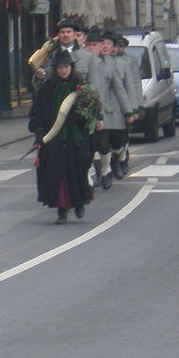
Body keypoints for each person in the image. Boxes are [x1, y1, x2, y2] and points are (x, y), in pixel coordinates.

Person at [29, 50, 97, 224]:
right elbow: (36, 114)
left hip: (76, 138)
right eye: (60, 67)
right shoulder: (48, 88)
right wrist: (39, 134)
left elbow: (91, 112)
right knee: (58, 174)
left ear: (71, 67)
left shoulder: (81, 88)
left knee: (78, 171)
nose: (63, 71)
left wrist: (81, 117)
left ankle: (79, 202)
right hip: (55, 139)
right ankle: (62, 209)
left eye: (66, 67)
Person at [88, 29, 135, 189]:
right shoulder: (81, 62)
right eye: (89, 45)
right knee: (95, 146)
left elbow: (120, 89)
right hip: (85, 113)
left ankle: (113, 163)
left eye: (94, 45)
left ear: (101, 46)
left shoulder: (110, 64)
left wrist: (129, 110)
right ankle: (102, 172)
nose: (91, 48)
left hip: (107, 112)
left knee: (113, 143)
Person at [33, 16, 101, 91]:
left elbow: (94, 86)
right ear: (58, 35)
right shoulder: (49, 56)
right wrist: (39, 78)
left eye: (68, 32)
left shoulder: (88, 57)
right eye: (62, 32)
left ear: (75, 34)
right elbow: (39, 86)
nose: (65, 35)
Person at [113, 34, 143, 177]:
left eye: (120, 46)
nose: (117, 48)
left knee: (124, 133)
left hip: (125, 102)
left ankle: (123, 157)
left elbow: (135, 84)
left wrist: (137, 105)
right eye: (116, 45)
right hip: (112, 103)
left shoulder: (129, 61)